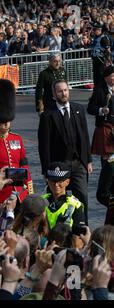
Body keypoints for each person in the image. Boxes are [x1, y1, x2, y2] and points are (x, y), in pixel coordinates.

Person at [38, 79, 92, 224]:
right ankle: (55, 226)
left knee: (82, 196)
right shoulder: (47, 115)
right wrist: (46, 170)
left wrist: (88, 160)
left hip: (78, 163)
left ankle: (82, 227)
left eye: (65, 90)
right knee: (57, 197)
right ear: (54, 94)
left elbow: (85, 136)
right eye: (60, 91)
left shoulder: (78, 109)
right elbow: (44, 146)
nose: (64, 93)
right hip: (58, 166)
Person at [87, 65, 114, 164]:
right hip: (106, 127)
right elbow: (90, 108)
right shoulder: (99, 90)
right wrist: (101, 110)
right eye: (113, 76)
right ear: (106, 78)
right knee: (107, 156)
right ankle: (107, 173)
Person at [0, 79, 33, 204]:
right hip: (2, 193)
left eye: (7, 122)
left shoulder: (16, 138)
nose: (5, 125)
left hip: (19, 193)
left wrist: (30, 192)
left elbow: (24, 164)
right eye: (2, 123)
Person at [42, 161, 85, 230]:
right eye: (53, 181)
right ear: (48, 181)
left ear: (67, 182)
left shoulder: (75, 205)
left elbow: (78, 237)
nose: (56, 185)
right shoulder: (40, 202)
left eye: (60, 181)